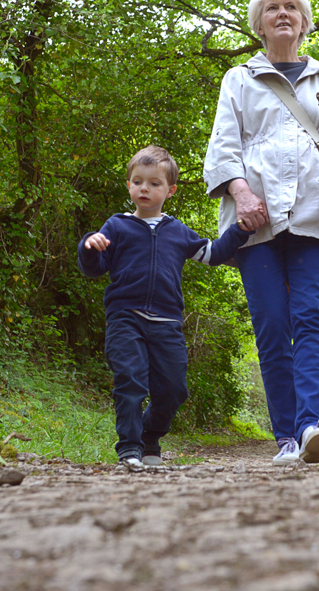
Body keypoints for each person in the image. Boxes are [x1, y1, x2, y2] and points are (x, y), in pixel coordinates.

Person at [203, 0, 319, 465]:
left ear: (305, 21)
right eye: (272, 8)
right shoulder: (239, 79)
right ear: (259, 24)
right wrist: (241, 193)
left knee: (311, 319)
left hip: (318, 218)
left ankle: (314, 424)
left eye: (291, 7)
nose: (282, 14)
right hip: (256, 222)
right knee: (273, 325)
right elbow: (223, 147)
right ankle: (287, 439)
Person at [78, 145, 252, 470]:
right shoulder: (116, 226)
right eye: (138, 181)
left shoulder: (178, 232)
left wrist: (241, 230)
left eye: (154, 183)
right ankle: (129, 449)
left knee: (174, 389)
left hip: (167, 323)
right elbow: (94, 268)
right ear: (129, 185)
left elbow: (213, 254)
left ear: (169, 190)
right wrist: (90, 246)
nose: (145, 188)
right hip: (125, 318)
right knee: (130, 380)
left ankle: (149, 436)